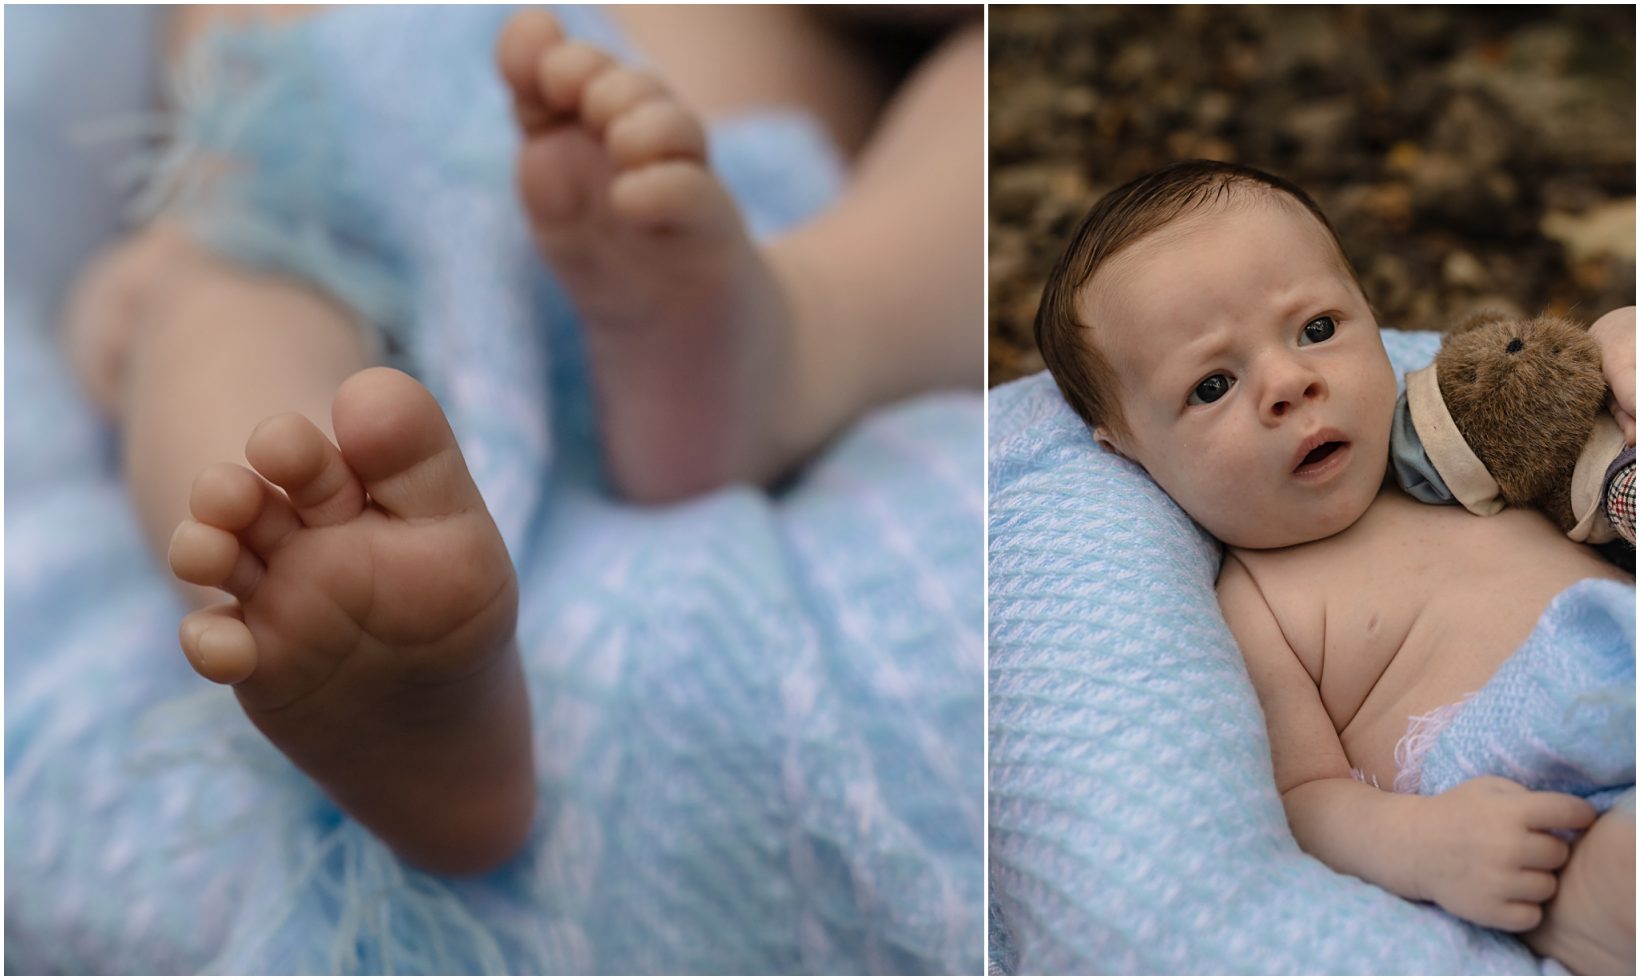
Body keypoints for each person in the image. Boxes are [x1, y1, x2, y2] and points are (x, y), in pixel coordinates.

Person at [57, 5, 981, 876]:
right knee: (223, 318)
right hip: (313, 199)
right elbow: (200, 98)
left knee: (982, 105)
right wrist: (163, 242)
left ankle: (786, 352)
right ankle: (352, 635)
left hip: (711, 220)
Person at [1032, 159, 1635, 974]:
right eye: (1212, 384)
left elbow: (1581, 444)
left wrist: (1617, 351)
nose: (1290, 383)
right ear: (1130, 449)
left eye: (1317, 329)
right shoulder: (1255, 605)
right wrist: (1427, 846)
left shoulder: (1455, 435)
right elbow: (1306, 801)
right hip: (1544, 790)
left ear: (1371, 315)